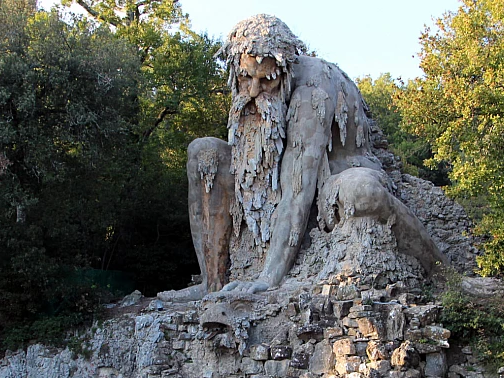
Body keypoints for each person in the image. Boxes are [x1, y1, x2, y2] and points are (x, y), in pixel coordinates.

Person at [159, 14, 445, 302]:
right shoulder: (246, 92)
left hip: (333, 178)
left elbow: (298, 188)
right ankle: (212, 281)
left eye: (266, 81)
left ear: (285, 69)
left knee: (362, 193)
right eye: (246, 78)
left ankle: (443, 275)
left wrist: (269, 277)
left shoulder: (312, 92)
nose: (255, 91)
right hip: (273, 181)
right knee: (203, 152)